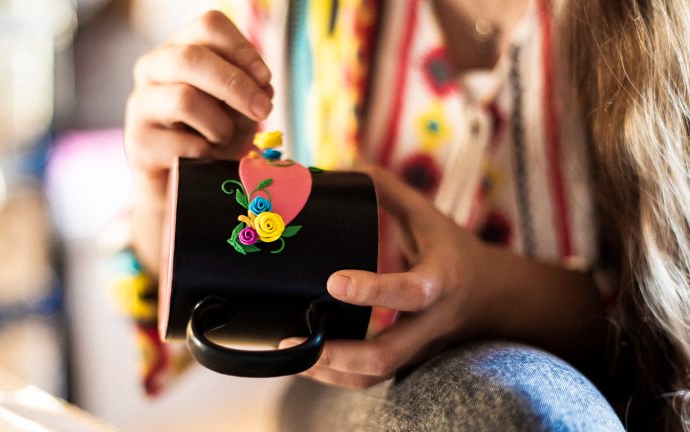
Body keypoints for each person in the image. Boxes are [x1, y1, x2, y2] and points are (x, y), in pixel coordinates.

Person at [121, 0, 690, 429]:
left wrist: (492, 293)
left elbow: (670, 331)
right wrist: (163, 198)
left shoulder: (665, 35)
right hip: (348, 393)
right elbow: (184, 292)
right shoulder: (292, 19)